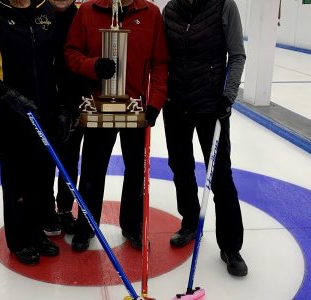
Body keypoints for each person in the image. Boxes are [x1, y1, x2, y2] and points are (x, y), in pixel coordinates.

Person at [0, 0, 68, 265]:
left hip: (44, 110)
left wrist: (61, 106)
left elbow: (57, 59)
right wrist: (5, 94)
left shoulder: (46, 10)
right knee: (16, 180)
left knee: (42, 178)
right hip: (9, 113)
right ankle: (19, 240)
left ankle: (37, 235)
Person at [64, 0, 168, 251]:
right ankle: (86, 226)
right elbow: (71, 53)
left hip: (136, 109)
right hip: (99, 108)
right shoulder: (88, 11)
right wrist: (94, 66)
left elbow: (161, 63)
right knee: (91, 171)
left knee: (136, 171)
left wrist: (154, 103)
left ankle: (132, 226)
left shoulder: (151, 14)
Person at [162, 0, 248, 276]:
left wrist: (228, 94)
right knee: (181, 167)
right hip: (176, 104)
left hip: (211, 105)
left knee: (220, 174)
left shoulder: (224, 6)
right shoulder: (170, 10)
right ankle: (189, 221)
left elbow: (236, 55)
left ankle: (231, 245)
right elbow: (164, 57)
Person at [43, 0, 85, 237]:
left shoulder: (82, 16)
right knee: (44, 160)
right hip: (43, 102)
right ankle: (45, 209)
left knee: (69, 159)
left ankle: (65, 209)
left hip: (73, 102)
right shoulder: (37, 14)